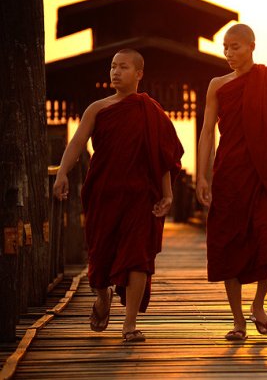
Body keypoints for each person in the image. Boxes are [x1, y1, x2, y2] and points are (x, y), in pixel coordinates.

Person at [53, 49, 184, 343]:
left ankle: (130, 324)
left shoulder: (152, 112)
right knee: (100, 260)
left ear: (138, 74)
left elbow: (163, 157)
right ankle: (102, 296)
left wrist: (168, 194)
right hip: (104, 193)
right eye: (112, 67)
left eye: (123, 67)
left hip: (141, 196)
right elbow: (77, 143)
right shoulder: (98, 109)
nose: (115, 72)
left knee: (138, 257)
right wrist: (62, 173)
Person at [196, 24, 267, 341]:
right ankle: (238, 320)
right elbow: (207, 132)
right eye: (225, 48)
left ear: (252, 46)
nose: (229, 54)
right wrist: (203, 176)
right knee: (229, 242)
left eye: (236, 47)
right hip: (231, 174)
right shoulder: (218, 85)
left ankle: (258, 304)